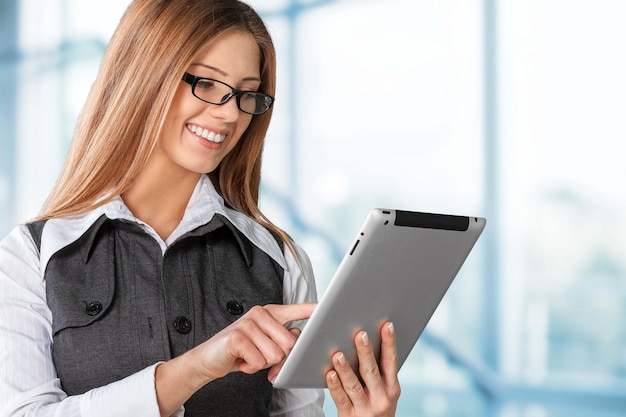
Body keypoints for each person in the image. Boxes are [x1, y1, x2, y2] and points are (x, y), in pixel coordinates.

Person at [0, 0, 401, 416]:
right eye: (207, 83)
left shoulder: (279, 260)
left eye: (247, 94)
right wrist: (196, 367)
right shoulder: (30, 256)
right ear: (144, 74)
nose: (229, 113)